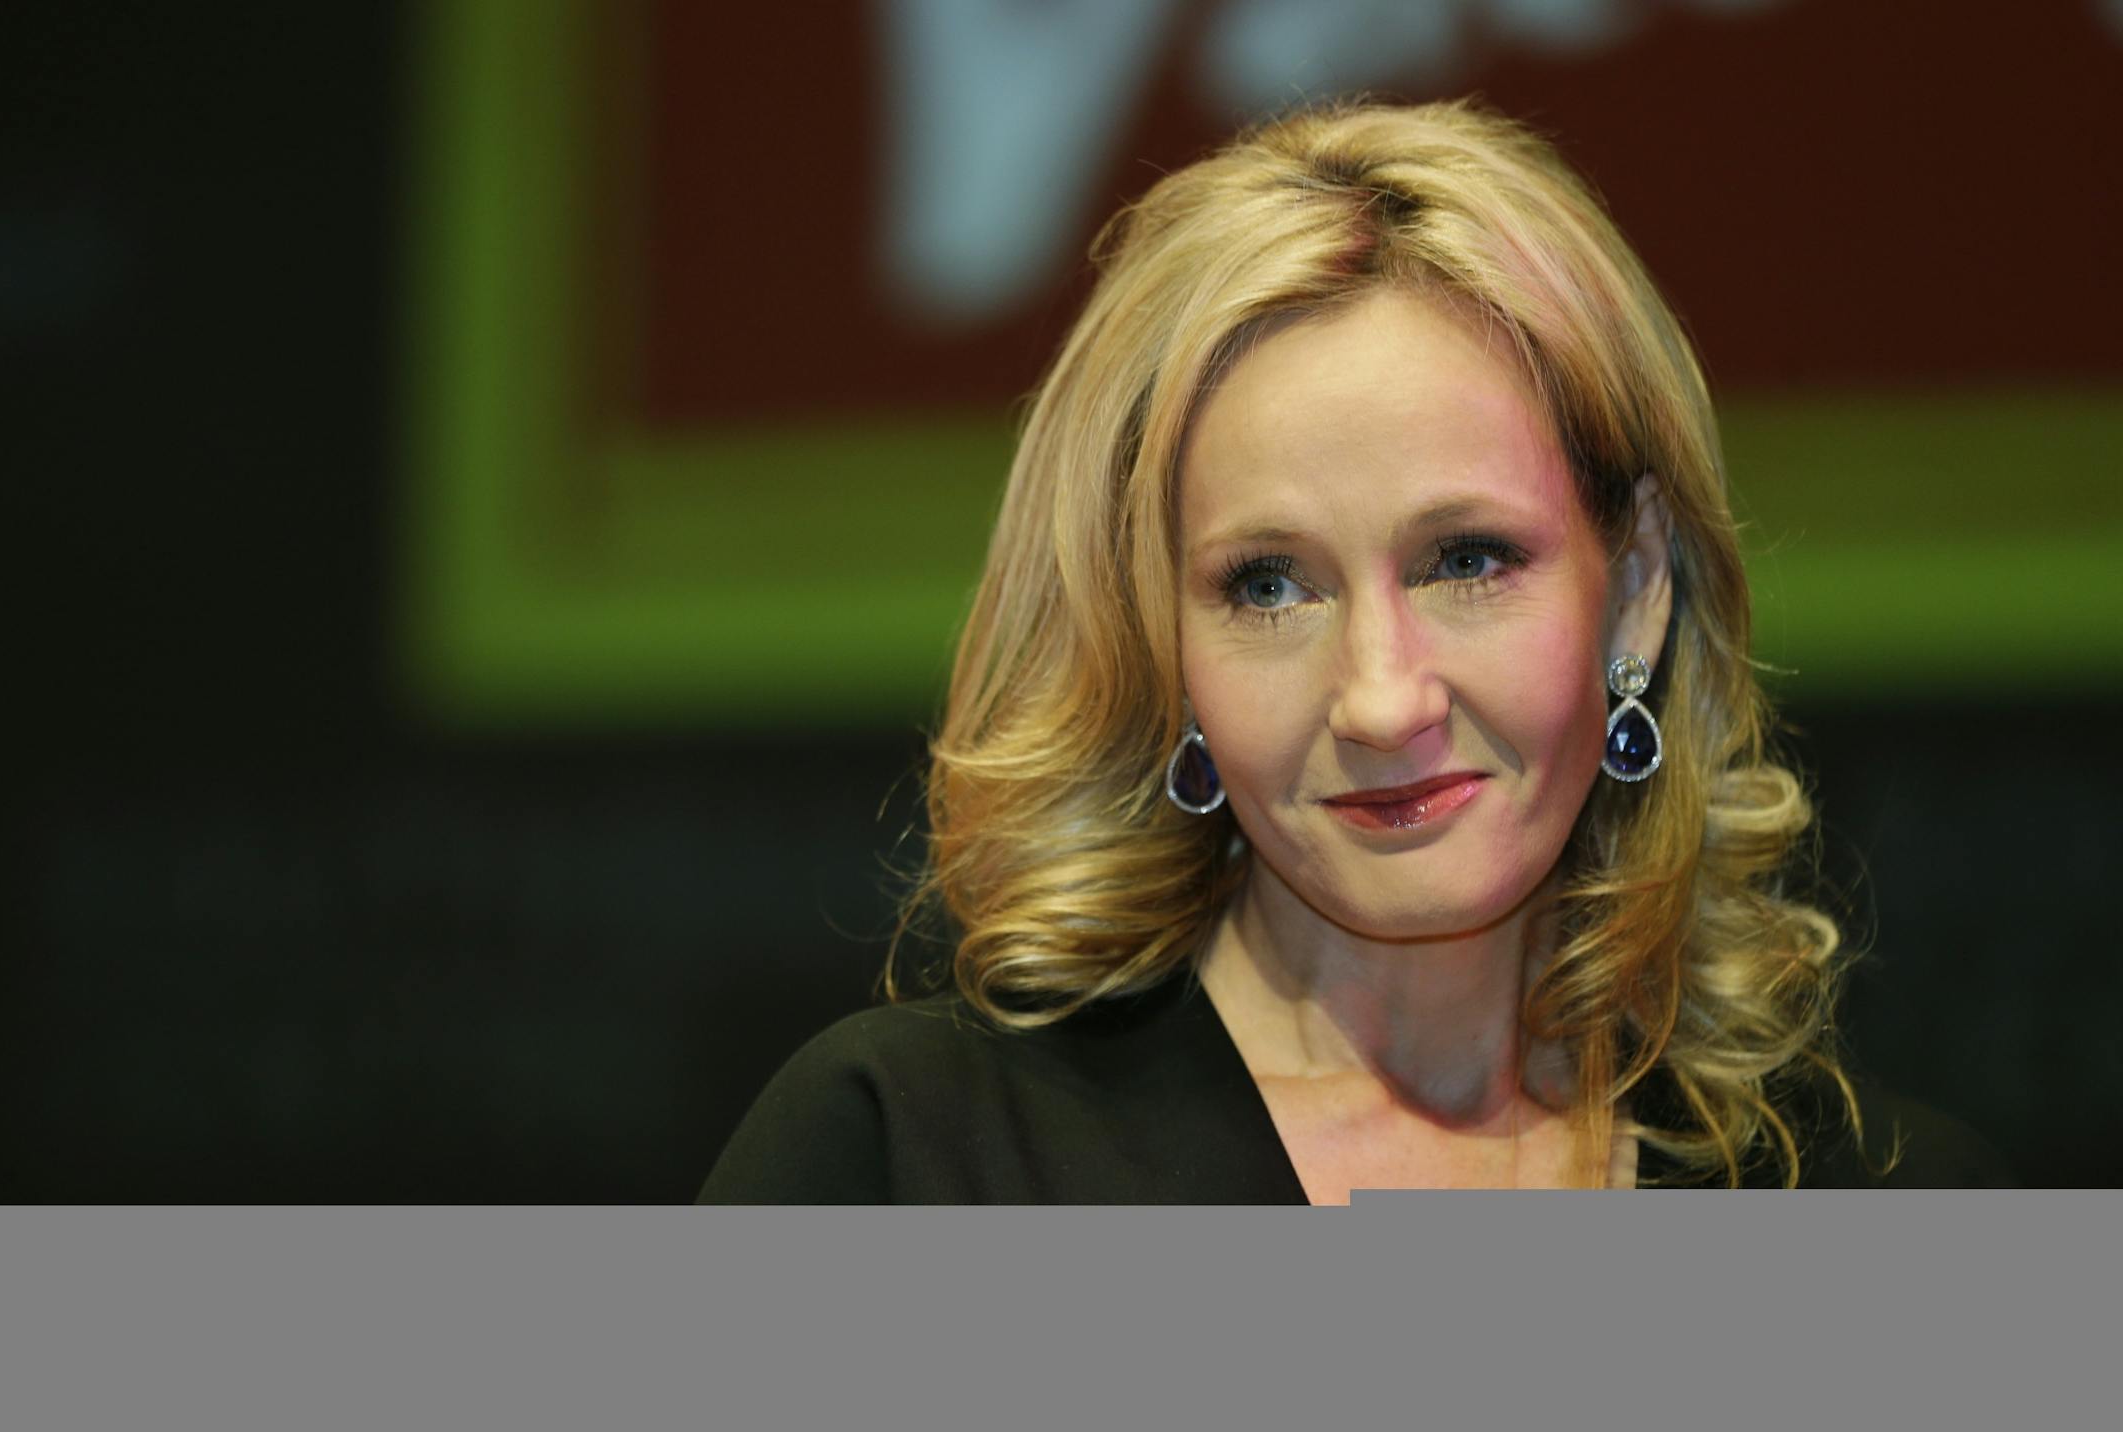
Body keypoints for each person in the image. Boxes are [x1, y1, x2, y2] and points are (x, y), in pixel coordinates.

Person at [699, 98, 2012, 1200]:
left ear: (1639, 592)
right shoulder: (914, 1164)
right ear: (1158, 641)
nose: (1381, 698)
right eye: (1268, 585)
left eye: (1469, 561)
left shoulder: (1890, 1198)